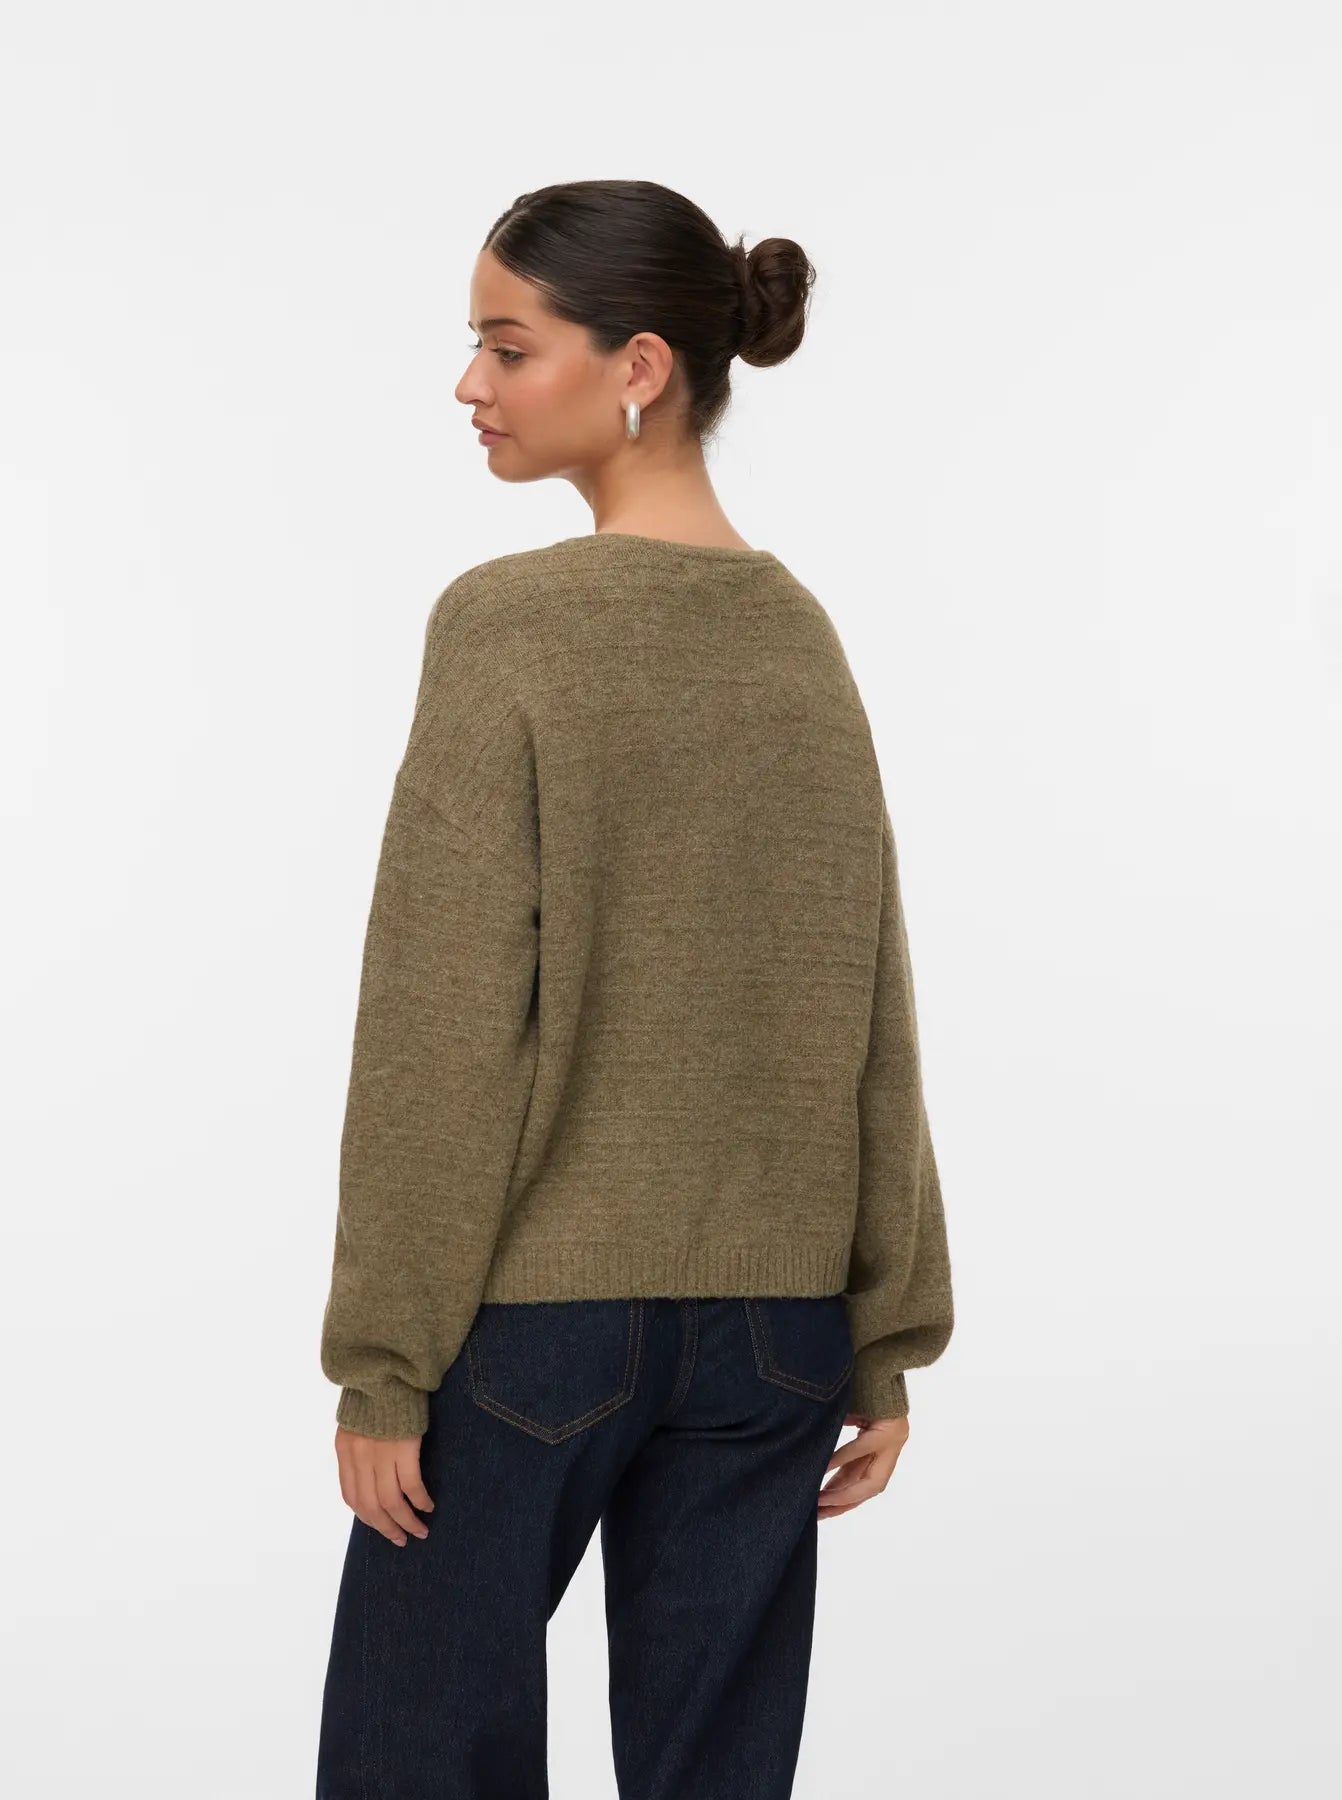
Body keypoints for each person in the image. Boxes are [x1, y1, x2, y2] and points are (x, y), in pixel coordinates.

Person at [314, 178, 955, 1800]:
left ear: (640, 367)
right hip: (779, 1340)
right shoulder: (798, 637)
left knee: (413, 1762)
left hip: (537, 1333)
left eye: (507, 347)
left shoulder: (508, 628)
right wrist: (882, 1334)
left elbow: (440, 1023)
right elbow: (868, 1003)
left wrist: (383, 1363)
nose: (469, 385)